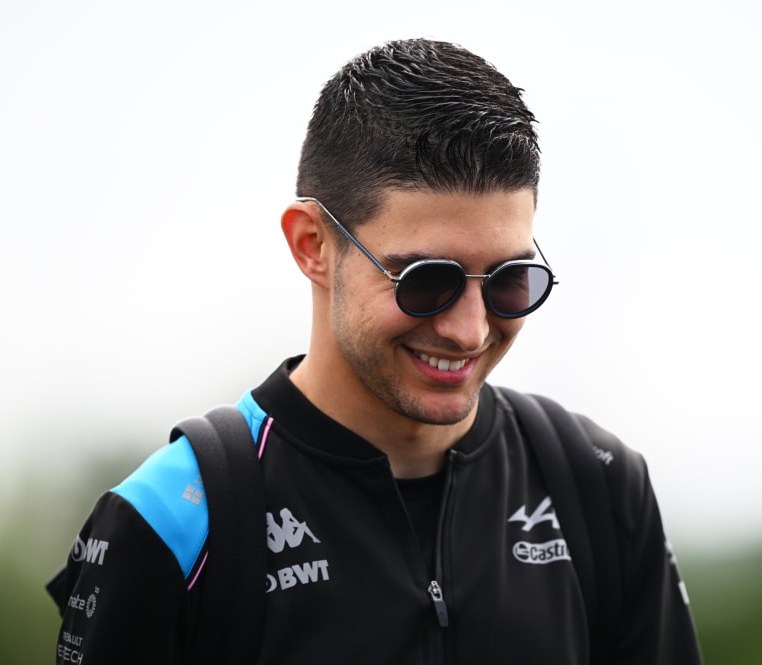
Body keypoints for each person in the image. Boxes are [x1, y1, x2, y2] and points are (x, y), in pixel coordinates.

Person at [48, 38, 703, 664]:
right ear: (312, 245)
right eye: (426, 282)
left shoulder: (598, 484)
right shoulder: (175, 517)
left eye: (509, 280)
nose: (470, 330)